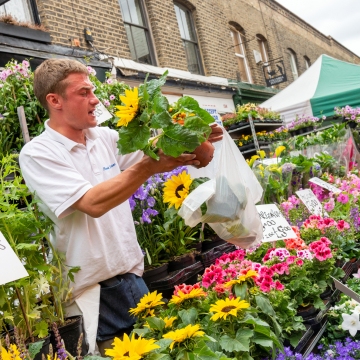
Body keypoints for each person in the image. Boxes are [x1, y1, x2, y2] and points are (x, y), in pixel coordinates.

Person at [19, 59, 222, 355]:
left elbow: (160, 152)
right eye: (84, 92)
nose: (95, 99)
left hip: (133, 279)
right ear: (55, 100)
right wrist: (148, 167)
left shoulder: (106, 137)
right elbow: (92, 203)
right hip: (93, 294)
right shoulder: (38, 153)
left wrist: (192, 137)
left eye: (93, 90)